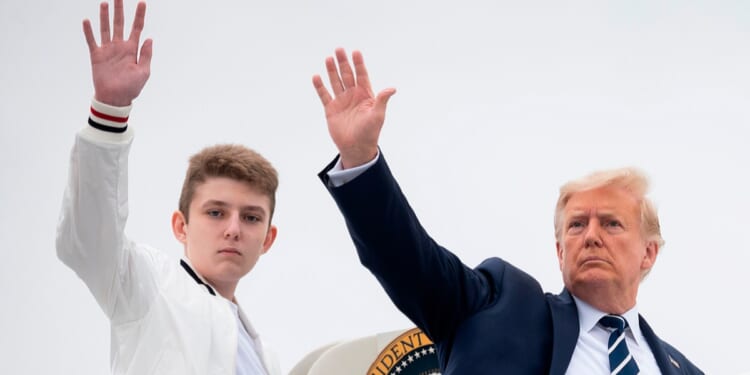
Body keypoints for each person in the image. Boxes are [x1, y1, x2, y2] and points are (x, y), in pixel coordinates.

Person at [312, 48, 704, 374]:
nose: (591, 235)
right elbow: (409, 262)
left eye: (612, 224)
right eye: (577, 225)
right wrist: (360, 158)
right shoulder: (502, 304)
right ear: (559, 251)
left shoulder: (683, 368)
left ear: (649, 253)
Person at [56, 1, 281, 374]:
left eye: (252, 217)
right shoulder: (146, 286)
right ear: (181, 225)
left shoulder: (266, 357)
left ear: (268, 238)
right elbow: (88, 238)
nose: (233, 228)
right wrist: (110, 112)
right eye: (215, 212)